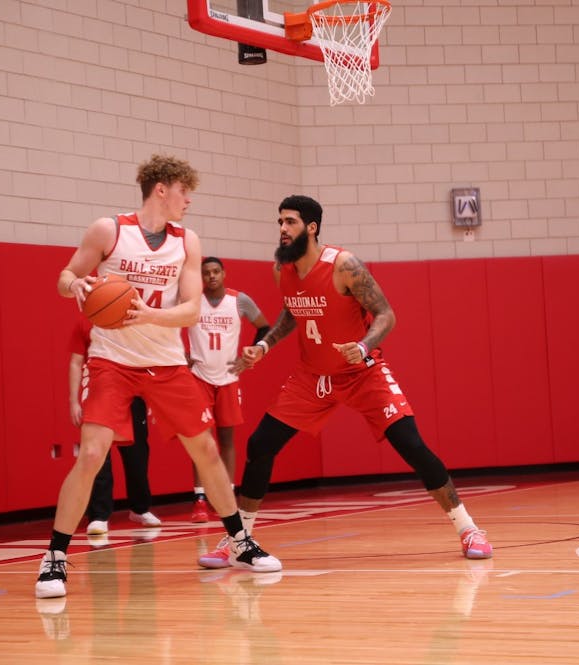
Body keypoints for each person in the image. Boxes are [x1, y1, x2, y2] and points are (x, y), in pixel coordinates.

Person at [198, 195, 493, 569]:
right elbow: (292, 312)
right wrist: (265, 344)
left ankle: (468, 529)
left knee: (412, 445)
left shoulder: (344, 266)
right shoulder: (282, 270)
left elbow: (386, 313)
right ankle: (239, 540)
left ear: (311, 227)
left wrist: (364, 345)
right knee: (261, 445)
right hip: (312, 376)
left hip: (361, 371)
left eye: (289, 222)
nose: (282, 230)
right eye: (280, 222)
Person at [35, 154, 280, 599]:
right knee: (91, 454)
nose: (189, 201)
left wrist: (149, 313)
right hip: (111, 361)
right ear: (162, 189)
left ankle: (239, 541)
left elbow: (189, 309)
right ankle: (54, 559)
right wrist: (76, 285)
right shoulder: (108, 230)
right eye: (185, 192)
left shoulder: (187, 241)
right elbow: (64, 275)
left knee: (205, 448)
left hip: (165, 363)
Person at [186, 257, 269, 523]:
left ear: (224, 273)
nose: (211, 276)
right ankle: (199, 499)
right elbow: (166, 327)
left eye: (215, 272)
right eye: (206, 273)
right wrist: (180, 355)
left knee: (226, 439)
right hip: (199, 376)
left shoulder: (240, 301)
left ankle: (227, 494)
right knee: (201, 439)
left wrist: (251, 356)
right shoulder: (192, 302)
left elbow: (265, 328)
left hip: (229, 377)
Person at [67, 317, 161, 537]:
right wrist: (73, 401)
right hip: (98, 393)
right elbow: (75, 361)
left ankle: (140, 509)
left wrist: (154, 398)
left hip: (133, 394)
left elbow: (147, 360)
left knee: (138, 455)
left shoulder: (133, 321)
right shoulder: (84, 322)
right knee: (99, 457)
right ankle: (99, 515)